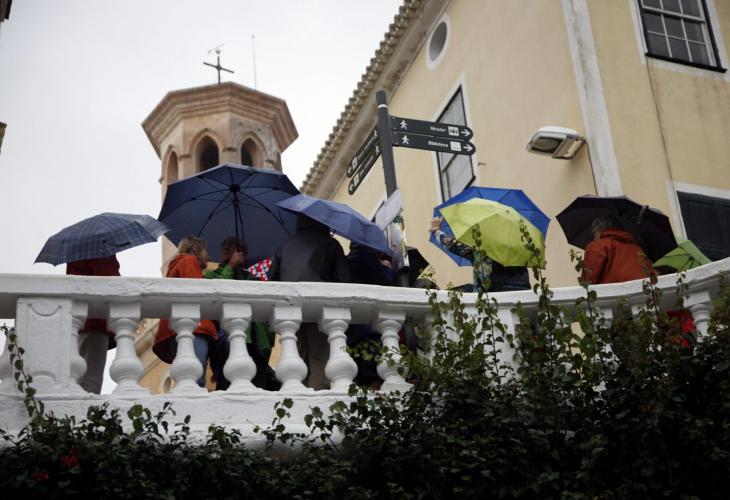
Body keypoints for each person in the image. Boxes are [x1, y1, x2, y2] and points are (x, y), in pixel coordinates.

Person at [269, 214, 352, 390]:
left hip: (291, 310)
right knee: (319, 356)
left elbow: (272, 281)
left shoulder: (284, 246)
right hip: (319, 307)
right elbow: (344, 279)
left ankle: (300, 394)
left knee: (299, 355)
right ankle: (317, 399)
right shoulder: (329, 243)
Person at [204, 236, 279, 390]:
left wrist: (267, 342)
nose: (225, 248)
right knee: (227, 390)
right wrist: (231, 266)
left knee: (258, 390)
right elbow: (218, 292)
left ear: (243, 254)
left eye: (231, 246)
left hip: (256, 345)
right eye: (224, 246)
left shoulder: (254, 280)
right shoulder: (211, 276)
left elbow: (266, 312)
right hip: (226, 342)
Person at [153, 236, 221, 388]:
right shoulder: (189, 261)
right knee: (195, 380)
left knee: (187, 378)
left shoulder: (175, 266)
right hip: (194, 329)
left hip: (178, 330)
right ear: (196, 249)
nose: (209, 257)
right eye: (206, 251)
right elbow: (196, 291)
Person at [429, 216, 530, 293]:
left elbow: (451, 244)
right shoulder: (518, 248)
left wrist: (436, 230)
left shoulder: (485, 248)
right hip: (523, 293)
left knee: (450, 295)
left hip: (493, 296)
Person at [66, 255, 121, 393]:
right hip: (95, 323)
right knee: (90, 380)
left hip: (82, 322)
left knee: (82, 375)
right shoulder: (100, 251)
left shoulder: (79, 250)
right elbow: (110, 279)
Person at [345, 242, 397, 389]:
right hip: (366, 326)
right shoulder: (366, 257)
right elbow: (384, 279)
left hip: (352, 325)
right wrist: (387, 268)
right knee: (371, 372)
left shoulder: (349, 259)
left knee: (360, 371)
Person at [581, 215, 656, 285]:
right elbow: (652, 275)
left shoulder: (597, 246)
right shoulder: (637, 249)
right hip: (646, 293)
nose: (594, 238)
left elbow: (588, 280)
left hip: (616, 295)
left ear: (598, 231)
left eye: (594, 233)